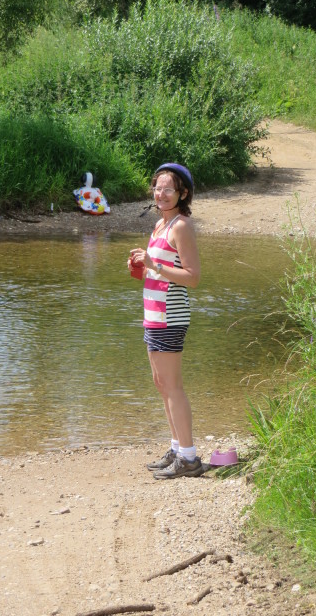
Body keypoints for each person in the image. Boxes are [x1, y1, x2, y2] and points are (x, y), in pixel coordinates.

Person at [129, 163, 203, 480]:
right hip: (153, 316)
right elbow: (157, 272)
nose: (160, 193)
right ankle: (176, 449)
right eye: (157, 188)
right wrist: (140, 268)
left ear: (182, 193)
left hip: (171, 316)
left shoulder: (181, 226)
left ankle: (189, 458)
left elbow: (192, 277)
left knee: (173, 387)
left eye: (168, 189)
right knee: (162, 385)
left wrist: (154, 264)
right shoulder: (160, 225)